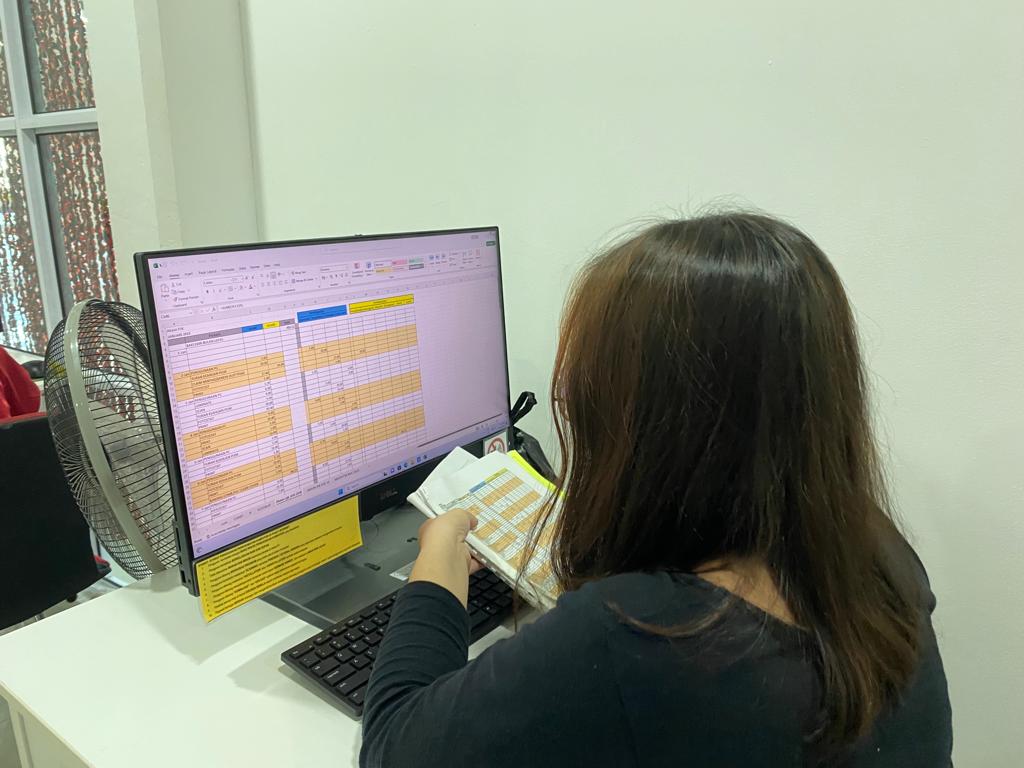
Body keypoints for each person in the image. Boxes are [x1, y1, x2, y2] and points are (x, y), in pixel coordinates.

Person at [359, 213, 953, 767]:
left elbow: (394, 747)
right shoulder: (876, 551)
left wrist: (436, 567)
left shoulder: (639, 634)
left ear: (645, 424)